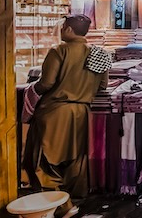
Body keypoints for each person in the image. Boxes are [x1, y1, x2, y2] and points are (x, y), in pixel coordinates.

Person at [26, 15, 108, 200]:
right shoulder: (100, 53)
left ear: (69, 29)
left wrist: (32, 89)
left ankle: (56, 204)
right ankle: (76, 199)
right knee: (76, 159)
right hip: (82, 112)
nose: (61, 31)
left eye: (63, 27)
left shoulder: (59, 51)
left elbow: (46, 83)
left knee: (46, 161)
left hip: (55, 111)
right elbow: (103, 85)